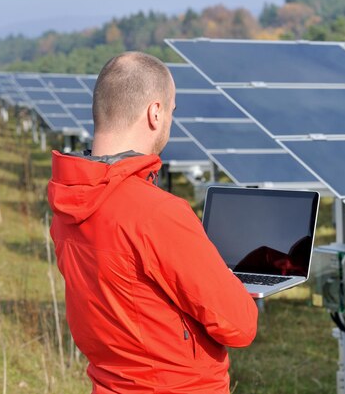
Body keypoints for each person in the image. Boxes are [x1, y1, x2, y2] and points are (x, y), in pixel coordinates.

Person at [48, 51, 258, 394]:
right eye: (172, 111)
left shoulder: (68, 201)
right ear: (155, 112)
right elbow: (240, 326)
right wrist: (229, 285)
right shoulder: (158, 213)